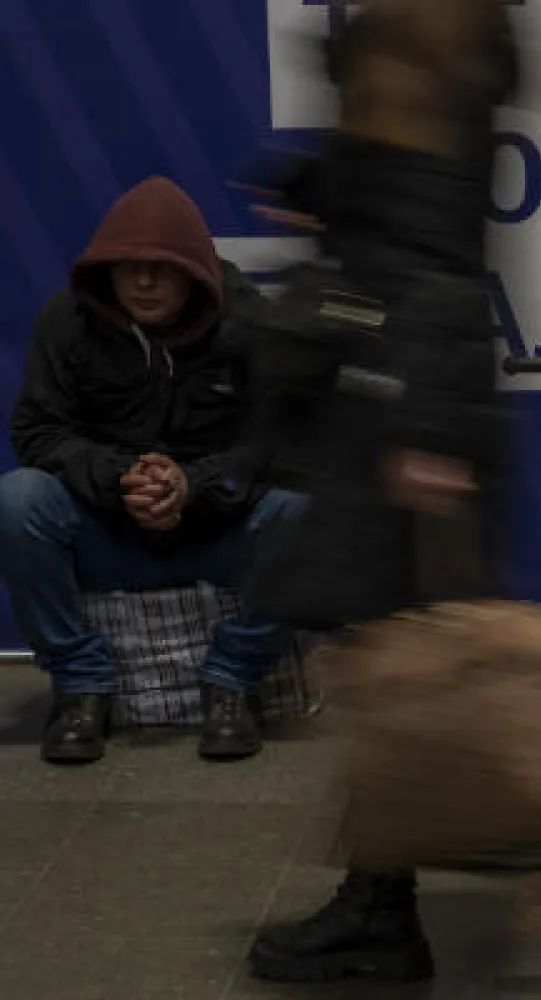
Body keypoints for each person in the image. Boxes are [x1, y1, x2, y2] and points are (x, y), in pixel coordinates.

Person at [243, 0, 526, 984]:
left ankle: (386, 902)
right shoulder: (418, 59)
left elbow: (435, 263)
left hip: (409, 407)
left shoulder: (430, 58)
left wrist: (429, 433)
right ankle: (407, 876)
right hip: (403, 397)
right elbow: (397, 218)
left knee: (390, 664)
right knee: (391, 660)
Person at [0, 176, 299, 765]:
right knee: (16, 501)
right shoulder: (65, 321)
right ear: (104, 271)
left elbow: (279, 441)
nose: (143, 281)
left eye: (161, 268)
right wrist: (121, 478)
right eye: (127, 266)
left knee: (305, 509)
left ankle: (231, 683)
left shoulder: (251, 322)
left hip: (215, 530)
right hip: (108, 530)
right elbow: (38, 432)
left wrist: (195, 486)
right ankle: (82, 687)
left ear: (194, 270)